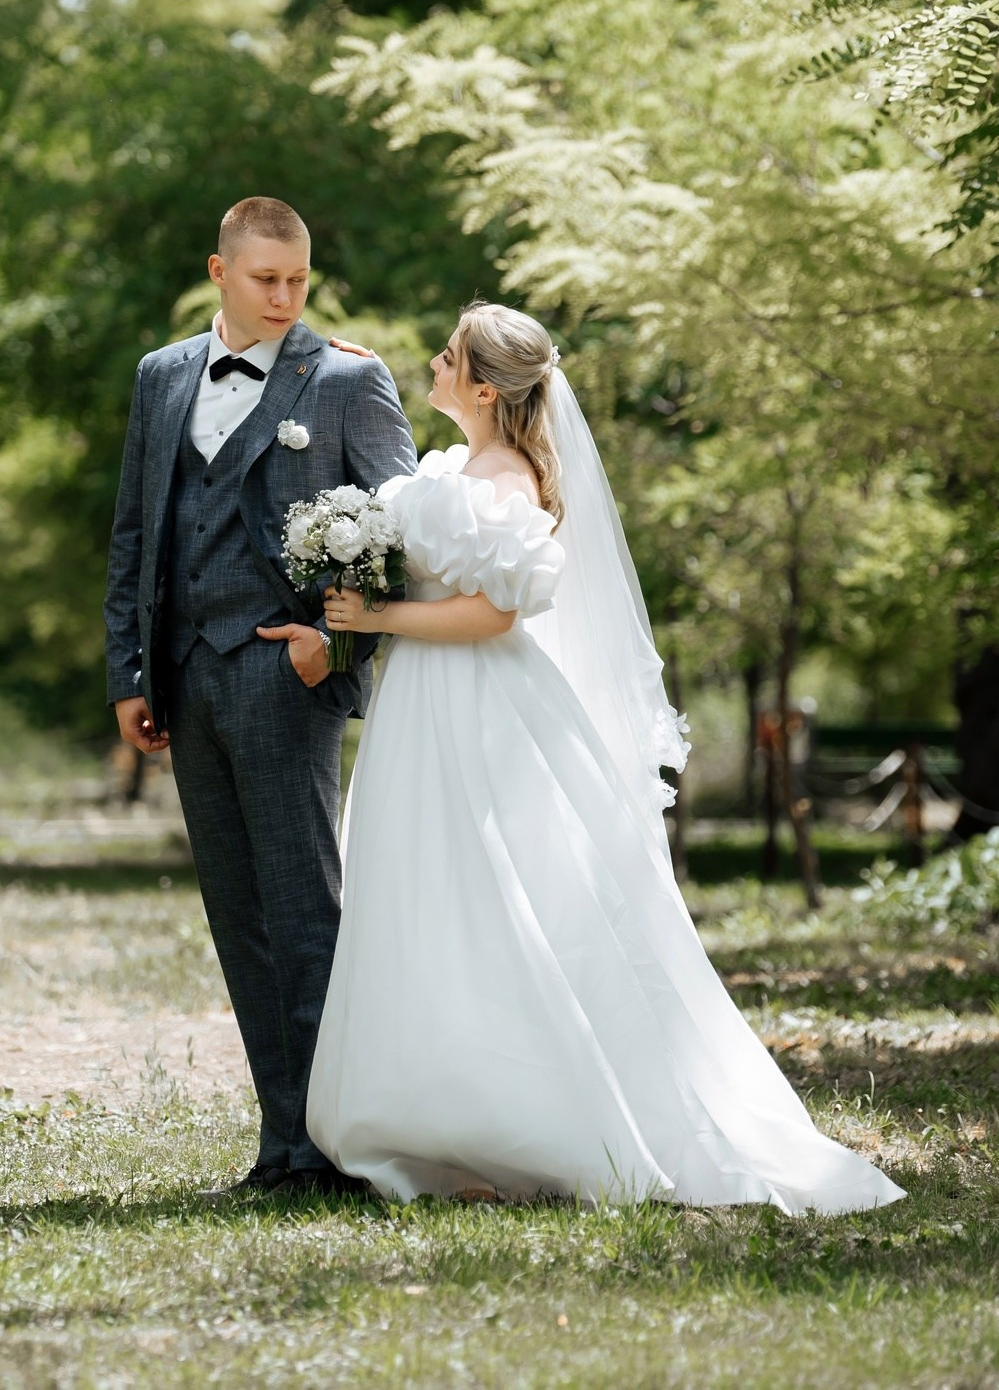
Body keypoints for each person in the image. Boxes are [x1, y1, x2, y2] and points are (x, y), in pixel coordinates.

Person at [306, 301, 906, 1212]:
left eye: (447, 353)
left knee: (493, 895)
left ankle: (519, 1122)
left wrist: (379, 618)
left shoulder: (502, 481)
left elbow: (495, 614)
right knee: (435, 896)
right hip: (424, 706)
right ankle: (440, 1121)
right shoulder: (462, 464)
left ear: (480, 385)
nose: (432, 359)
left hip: (477, 705)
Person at [103, 196, 417, 1198]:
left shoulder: (346, 380)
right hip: (187, 676)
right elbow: (132, 535)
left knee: (303, 911)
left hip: (286, 675)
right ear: (218, 272)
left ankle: (330, 1147)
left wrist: (334, 642)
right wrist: (129, 676)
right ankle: (280, 1144)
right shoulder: (160, 378)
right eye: (264, 279)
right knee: (238, 914)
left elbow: (404, 527)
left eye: (297, 280)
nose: (283, 298)